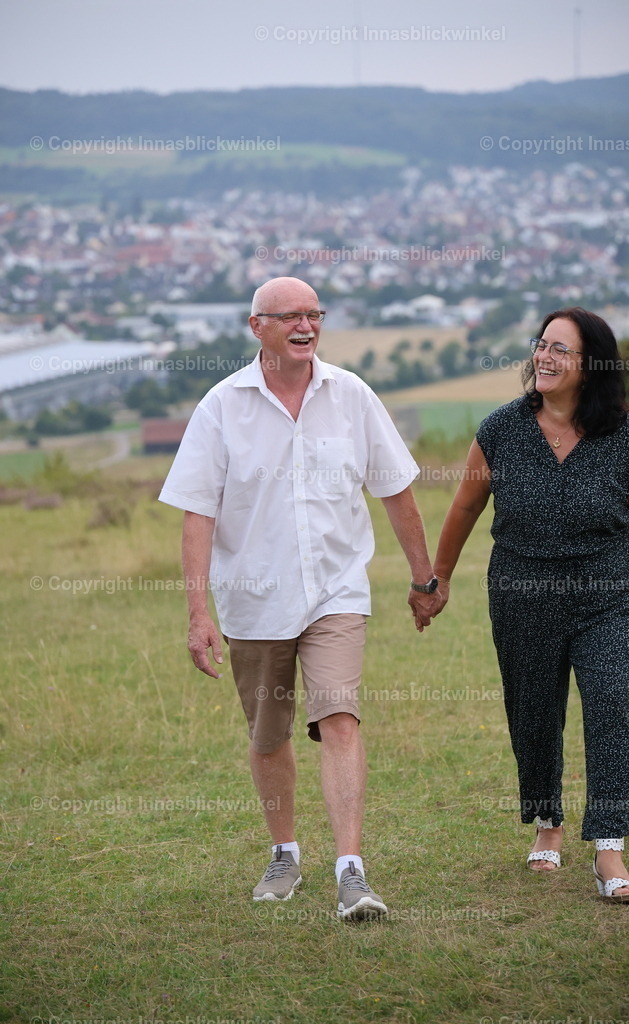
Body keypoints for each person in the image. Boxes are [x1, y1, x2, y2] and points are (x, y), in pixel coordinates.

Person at [159, 276, 442, 920]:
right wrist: (199, 613)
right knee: (268, 734)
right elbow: (197, 514)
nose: (305, 325)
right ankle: (285, 852)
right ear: (256, 326)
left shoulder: (352, 396)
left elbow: (395, 489)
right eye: (289, 315)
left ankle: (351, 871)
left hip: (337, 589)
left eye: (314, 313)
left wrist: (424, 578)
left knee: (339, 715)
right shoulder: (221, 407)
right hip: (254, 599)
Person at [431, 307, 629, 903]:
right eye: (541, 345)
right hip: (522, 596)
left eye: (560, 349)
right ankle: (548, 821)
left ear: (590, 366)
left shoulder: (624, 435)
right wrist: (436, 579)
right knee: (535, 712)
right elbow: (465, 509)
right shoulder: (502, 430)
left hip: (609, 598)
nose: (544, 356)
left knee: (609, 703)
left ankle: (610, 847)